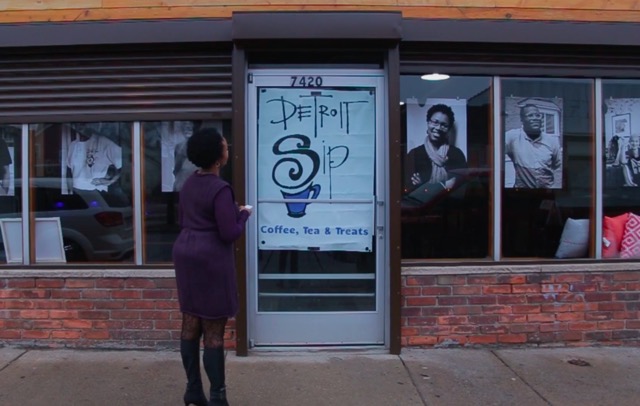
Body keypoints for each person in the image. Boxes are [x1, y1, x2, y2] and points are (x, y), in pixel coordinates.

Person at [172, 128, 252, 406]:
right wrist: (243, 215)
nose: (227, 149)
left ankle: (193, 390)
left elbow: (185, 217)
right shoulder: (220, 188)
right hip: (210, 257)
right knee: (214, 330)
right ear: (218, 158)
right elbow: (228, 233)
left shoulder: (189, 183)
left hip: (185, 252)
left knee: (190, 321)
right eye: (225, 147)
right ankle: (218, 396)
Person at [404, 103, 467, 195]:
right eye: (435, 122)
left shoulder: (456, 155)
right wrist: (444, 186)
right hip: (421, 207)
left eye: (444, 125)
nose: (438, 128)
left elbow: (461, 189)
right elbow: (408, 188)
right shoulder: (415, 154)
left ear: (448, 129)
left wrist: (423, 185)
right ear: (428, 122)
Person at [66, 123, 127, 205]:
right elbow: (69, 170)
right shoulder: (73, 145)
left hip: (97, 192)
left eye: (82, 124)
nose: (79, 126)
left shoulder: (104, 142)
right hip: (77, 192)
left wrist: (109, 181)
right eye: (77, 124)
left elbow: (125, 164)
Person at [505, 103, 562, 189]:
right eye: (530, 115)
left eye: (537, 115)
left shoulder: (552, 141)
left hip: (547, 192)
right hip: (521, 193)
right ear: (522, 119)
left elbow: (556, 163)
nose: (535, 118)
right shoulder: (512, 137)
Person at [172, 121, 198, 192]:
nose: (187, 128)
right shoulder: (179, 146)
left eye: (190, 126)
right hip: (181, 183)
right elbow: (177, 167)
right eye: (185, 126)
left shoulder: (200, 146)